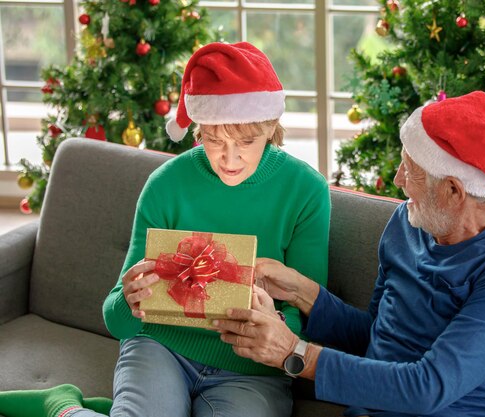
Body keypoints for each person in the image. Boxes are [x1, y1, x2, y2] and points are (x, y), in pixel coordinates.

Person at [0, 42, 330, 417]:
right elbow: (115, 318)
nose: (230, 158)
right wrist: (130, 299)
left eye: (246, 142)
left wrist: (276, 322)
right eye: (214, 140)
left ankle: (65, 411)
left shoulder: (306, 192)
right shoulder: (165, 185)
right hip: (158, 348)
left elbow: (310, 319)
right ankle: (62, 406)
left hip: (252, 370)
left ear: (272, 127)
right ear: (198, 130)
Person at [213, 91, 485, 417]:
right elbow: (377, 335)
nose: (397, 179)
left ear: (454, 191)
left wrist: (295, 353)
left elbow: (428, 387)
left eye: (410, 171)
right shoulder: (408, 223)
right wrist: (299, 292)